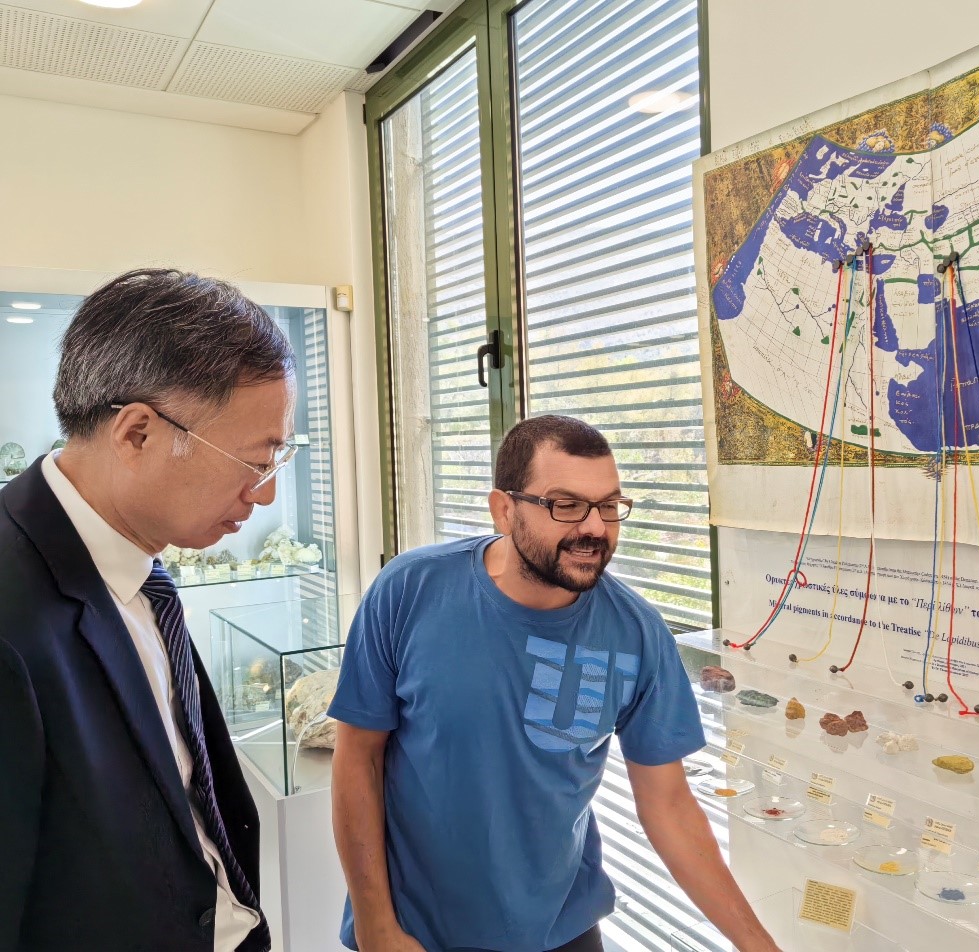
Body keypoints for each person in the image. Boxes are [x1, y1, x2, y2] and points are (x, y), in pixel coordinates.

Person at [330, 415, 779, 952]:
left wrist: (759, 946)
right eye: (566, 505)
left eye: (608, 506)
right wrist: (376, 925)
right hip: (415, 932)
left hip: (561, 929)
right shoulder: (409, 589)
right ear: (504, 509)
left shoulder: (636, 632)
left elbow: (670, 806)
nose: (595, 528)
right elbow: (358, 758)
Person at [0, 268, 294, 951]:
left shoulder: (136, 562)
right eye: (257, 461)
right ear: (136, 433)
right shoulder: (12, 616)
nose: (265, 495)